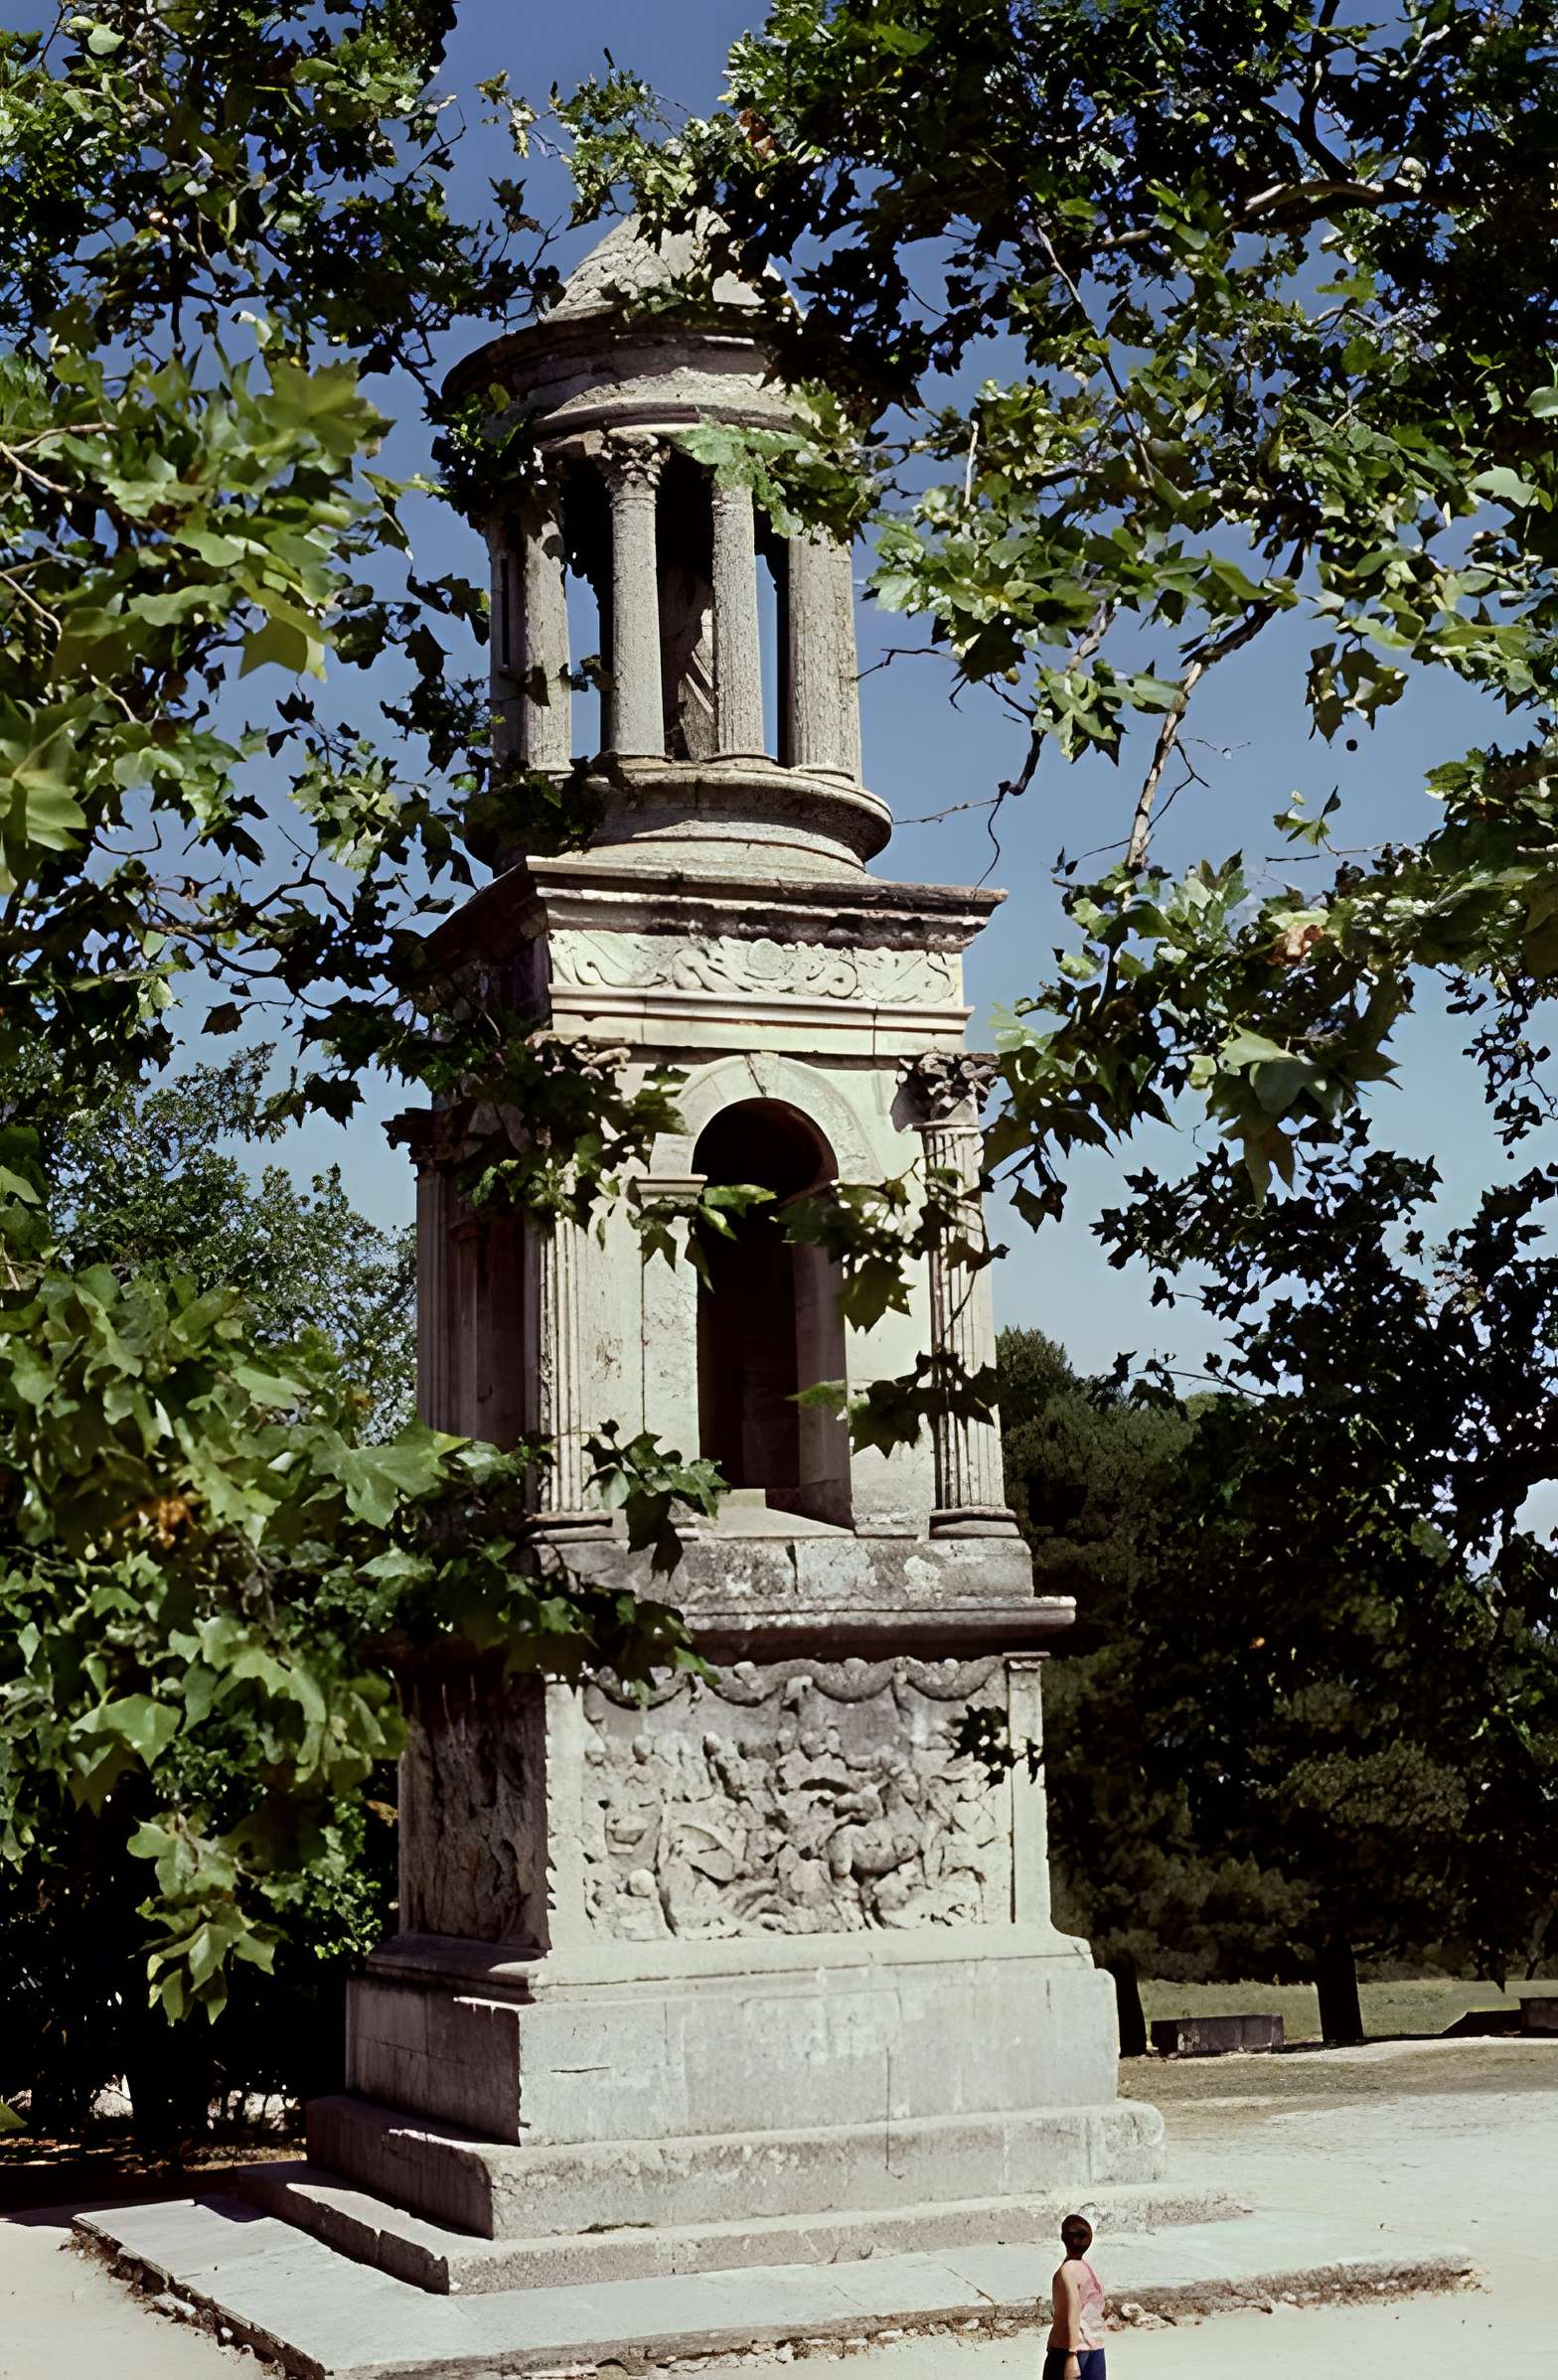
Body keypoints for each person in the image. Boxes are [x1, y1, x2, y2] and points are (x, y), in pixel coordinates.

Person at [1042, 2210, 1108, 2380]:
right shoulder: (1087, 2269)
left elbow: (1073, 2311)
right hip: (1095, 2348)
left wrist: (1071, 2356)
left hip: (1069, 2350)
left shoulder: (1067, 2271)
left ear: (1064, 2238)